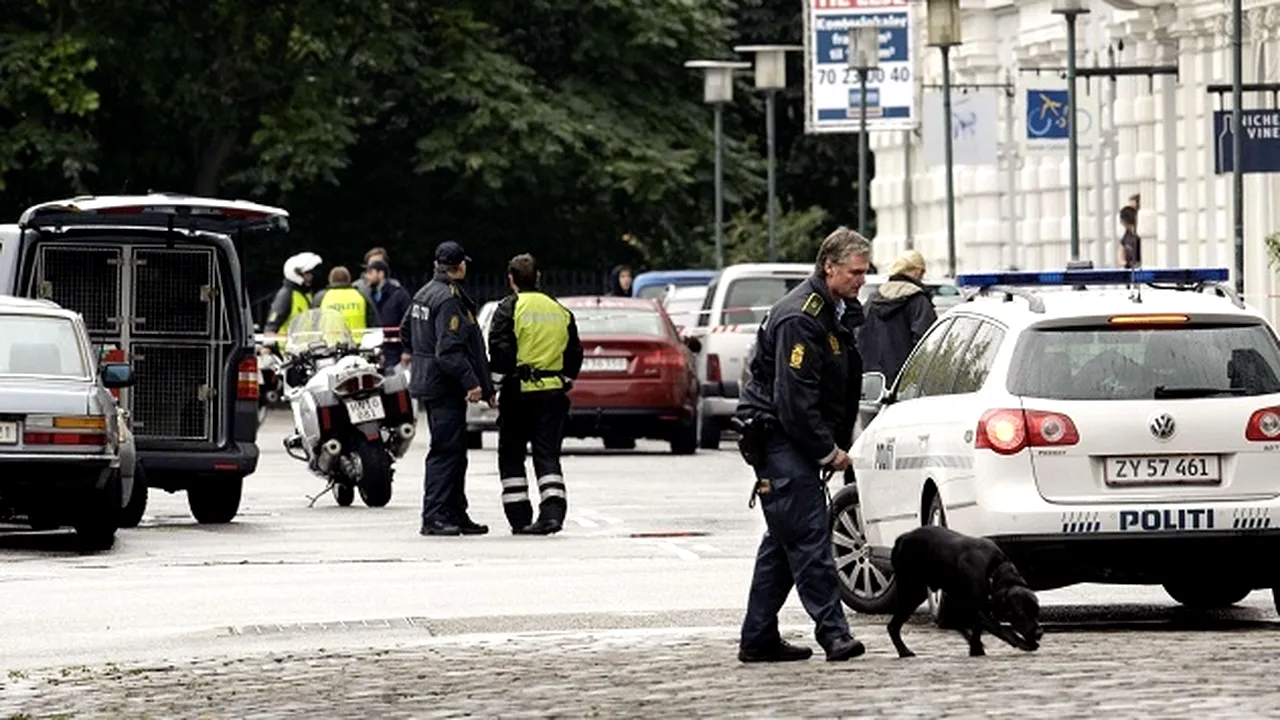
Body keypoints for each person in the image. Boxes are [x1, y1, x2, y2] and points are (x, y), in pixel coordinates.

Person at [734, 226, 870, 664]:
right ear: (829, 267)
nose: (861, 280)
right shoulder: (801, 317)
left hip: (789, 441)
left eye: (864, 273)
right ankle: (835, 635)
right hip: (782, 439)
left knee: (783, 542)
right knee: (811, 538)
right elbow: (794, 400)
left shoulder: (829, 310)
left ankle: (758, 638)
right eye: (855, 272)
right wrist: (827, 451)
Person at [401, 241, 495, 537]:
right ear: (459, 266)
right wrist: (472, 382)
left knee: (455, 451)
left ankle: (455, 512)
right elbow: (450, 351)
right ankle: (436, 516)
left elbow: (406, 332)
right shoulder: (448, 299)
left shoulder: (424, 293)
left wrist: (422, 357)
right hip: (444, 384)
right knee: (445, 451)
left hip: (431, 380)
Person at [487, 253, 584, 535]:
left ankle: (519, 516)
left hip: (518, 393)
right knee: (547, 454)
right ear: (537, 277)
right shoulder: (559, 310)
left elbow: (501, 351)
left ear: (511, 279)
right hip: (552, 393)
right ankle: (552, 514)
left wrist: (494, 386)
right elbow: (575, 352)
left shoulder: (509, 307)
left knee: (511, 454)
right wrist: (564, 380)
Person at [856, 249, 938, 383]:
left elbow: (859, 338)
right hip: (905, 385)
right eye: (922, 273)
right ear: (917, 271)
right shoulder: (919, 302)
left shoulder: (872, 300)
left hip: (871, 384)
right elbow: (927, 346)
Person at [263, 252, 322, 353]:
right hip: (287, 352)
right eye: (307, 274)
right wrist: (267, 347)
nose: (311, 277)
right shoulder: (286, 294)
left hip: (304, 350)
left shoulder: (307, 294)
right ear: (296, 274)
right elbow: (273, 323)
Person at [360, 258, 413, 371]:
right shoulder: (368, 296)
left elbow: (410, 323)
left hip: (395, 353)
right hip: (375, 353)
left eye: (370, 273)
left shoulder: (399, 295)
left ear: (381, 274)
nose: (367, 277)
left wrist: (407, 350)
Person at [312, 266, 379, 342]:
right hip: (359, 346)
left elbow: (314, 324)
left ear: (330, 280)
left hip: (330, 346)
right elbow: (374, 323)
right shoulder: (361, 296)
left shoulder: (321, 297)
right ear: (349, 279)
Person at [1118, 205, 1141, 269]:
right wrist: (1123, 262)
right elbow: (1121, 247)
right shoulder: (1127, 233)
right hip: (1128, 268)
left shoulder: (1138, 235)